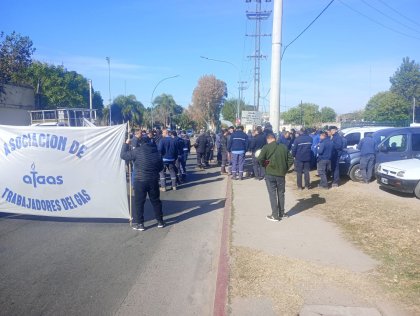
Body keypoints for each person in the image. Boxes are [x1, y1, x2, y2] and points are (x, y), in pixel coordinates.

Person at [120, 136, 165, 231]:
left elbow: (123, 155)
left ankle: (140, 224)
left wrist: (126, 144)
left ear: (140, 143)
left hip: (140, 181)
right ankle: (160, 221)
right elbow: (161, 167)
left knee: (139, 203)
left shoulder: (137, 151)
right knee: (156, 201)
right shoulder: (157, 152)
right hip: (153, 180)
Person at [258, 133, 294, 221]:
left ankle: (275, 215)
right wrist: (285, 169)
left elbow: (260, 159)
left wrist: (265, 165)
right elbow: (291, 160)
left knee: (272, 194)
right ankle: (282, 213)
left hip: (270, 174)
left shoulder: (266, 147)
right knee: (281, 193)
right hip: (281, 174)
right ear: (275, 138)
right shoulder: (283, 147)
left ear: (268, 139)